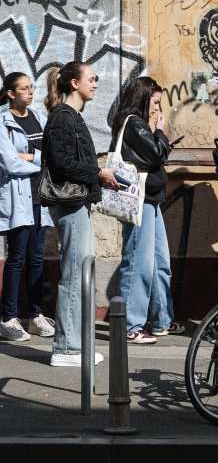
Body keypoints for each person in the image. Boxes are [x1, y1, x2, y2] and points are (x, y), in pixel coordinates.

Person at [42, 62, 121, 367]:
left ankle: (75, 345)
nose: (96, 83)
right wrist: (98, 173)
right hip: (70, 205)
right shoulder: (63, 118)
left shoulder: (71, 117)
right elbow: (61, 164)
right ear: (74, 83)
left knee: (80, 273)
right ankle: (66, 348)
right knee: (75, 276)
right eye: (92, 78)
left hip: (78, 203)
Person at [111, 77, 184, 344]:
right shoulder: (133, 122)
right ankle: (131, 325)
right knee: (139, 263)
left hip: (152, 199)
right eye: (154, 102)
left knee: (160, 263)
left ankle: (161, 320)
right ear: (142, 99)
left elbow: (152, 155)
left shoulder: (138, 124)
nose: (156, 108)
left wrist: (158, 138)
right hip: (139, 200)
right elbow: (155, 154)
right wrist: (161, 132)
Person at [0, 72, 55, 341]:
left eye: (31, 87)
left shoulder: (39, 119)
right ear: (11, 93)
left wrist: (30, 156)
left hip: (39, 198)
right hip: (17, 199)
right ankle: (9, 318)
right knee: (17, 259)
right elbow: (10, 163)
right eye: (24, 89)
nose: (30, 92)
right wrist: (38, 160)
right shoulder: (3, 122)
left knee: (36, 260)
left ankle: (35, 316)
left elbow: (52, 155)